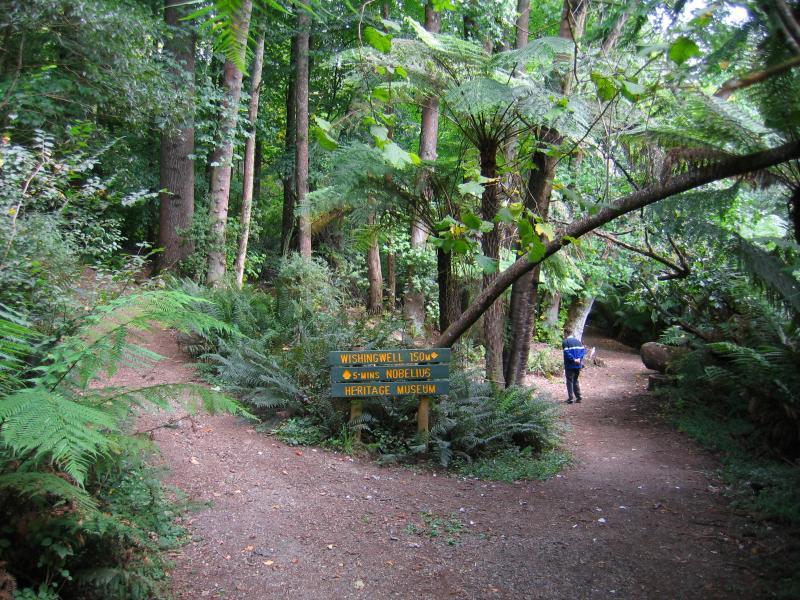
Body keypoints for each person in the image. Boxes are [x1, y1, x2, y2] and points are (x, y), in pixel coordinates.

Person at [562, 333, 586, 404]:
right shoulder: (578, 341)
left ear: (566, 333)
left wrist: (573, 359)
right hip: (578, 365)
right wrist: (579, 359)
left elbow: (566, 353)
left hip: (569, 365)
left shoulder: (565, 342)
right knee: (575, 380)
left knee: (569, 381)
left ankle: (571, 399)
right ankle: (579, 397)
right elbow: (583, 351)